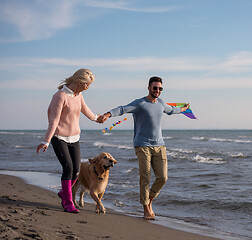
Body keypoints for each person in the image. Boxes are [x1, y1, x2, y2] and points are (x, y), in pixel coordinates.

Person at [97, 76, 189, 220]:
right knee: (145, 177)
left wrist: (184, 108)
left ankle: (150, 200)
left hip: (159, 146)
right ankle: (146, 208)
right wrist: (107, 114)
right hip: (142, 146)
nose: (157, 91)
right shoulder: (140, 103)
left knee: (163, 177)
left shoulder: (161, 103)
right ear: (148, 88)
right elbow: (122, 109)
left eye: (160, 88)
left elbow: (172, 110)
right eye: (155, 88)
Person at [37, 69, 99, 213]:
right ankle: (68, 202)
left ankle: (64, 192)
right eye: (87, 85)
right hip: (59, 137)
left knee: (76, 171)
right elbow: (54, 121)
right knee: (68, 168)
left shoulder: (78, 95)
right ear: (79, 83)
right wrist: (46, 141)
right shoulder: (60, 96)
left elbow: (85, 109)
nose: (87, 88)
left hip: (74, 137)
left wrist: (97, 118)